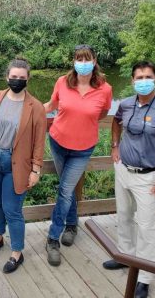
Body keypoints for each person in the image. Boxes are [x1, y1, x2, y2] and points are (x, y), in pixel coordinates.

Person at [102, 61, 155, 298]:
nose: (143, 81)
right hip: (123, 170)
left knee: (146, 227)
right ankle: (125, 257)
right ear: (132, 81)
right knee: (124, 216)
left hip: (148, 177)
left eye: (148, 76)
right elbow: (115, 122)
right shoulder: (126, 104)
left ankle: (144, 277)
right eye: (139, 77)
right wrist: (115, 146)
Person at [0, 58, 47, 273]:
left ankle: (17, 252)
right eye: (13, 77)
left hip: (16, 163)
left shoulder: (35, 107)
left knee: (12, 209)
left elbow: (39, 142)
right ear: (7, 77)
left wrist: (36, 169)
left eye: (21, 78)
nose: (17, 81)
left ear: (28, 79)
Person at [44, 44, 112, 266]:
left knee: (64, 190)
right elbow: (51, 105)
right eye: (78, 59)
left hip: (83, 148)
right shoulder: (63, 82)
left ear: (94, 60)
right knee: (68, 188)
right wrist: (26, 110)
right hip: (57, 141)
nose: (82, 63)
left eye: (87, 59)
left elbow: (102, 113)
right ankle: (72, 225)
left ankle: (53, 238)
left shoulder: (105, 88)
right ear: (73, 61)